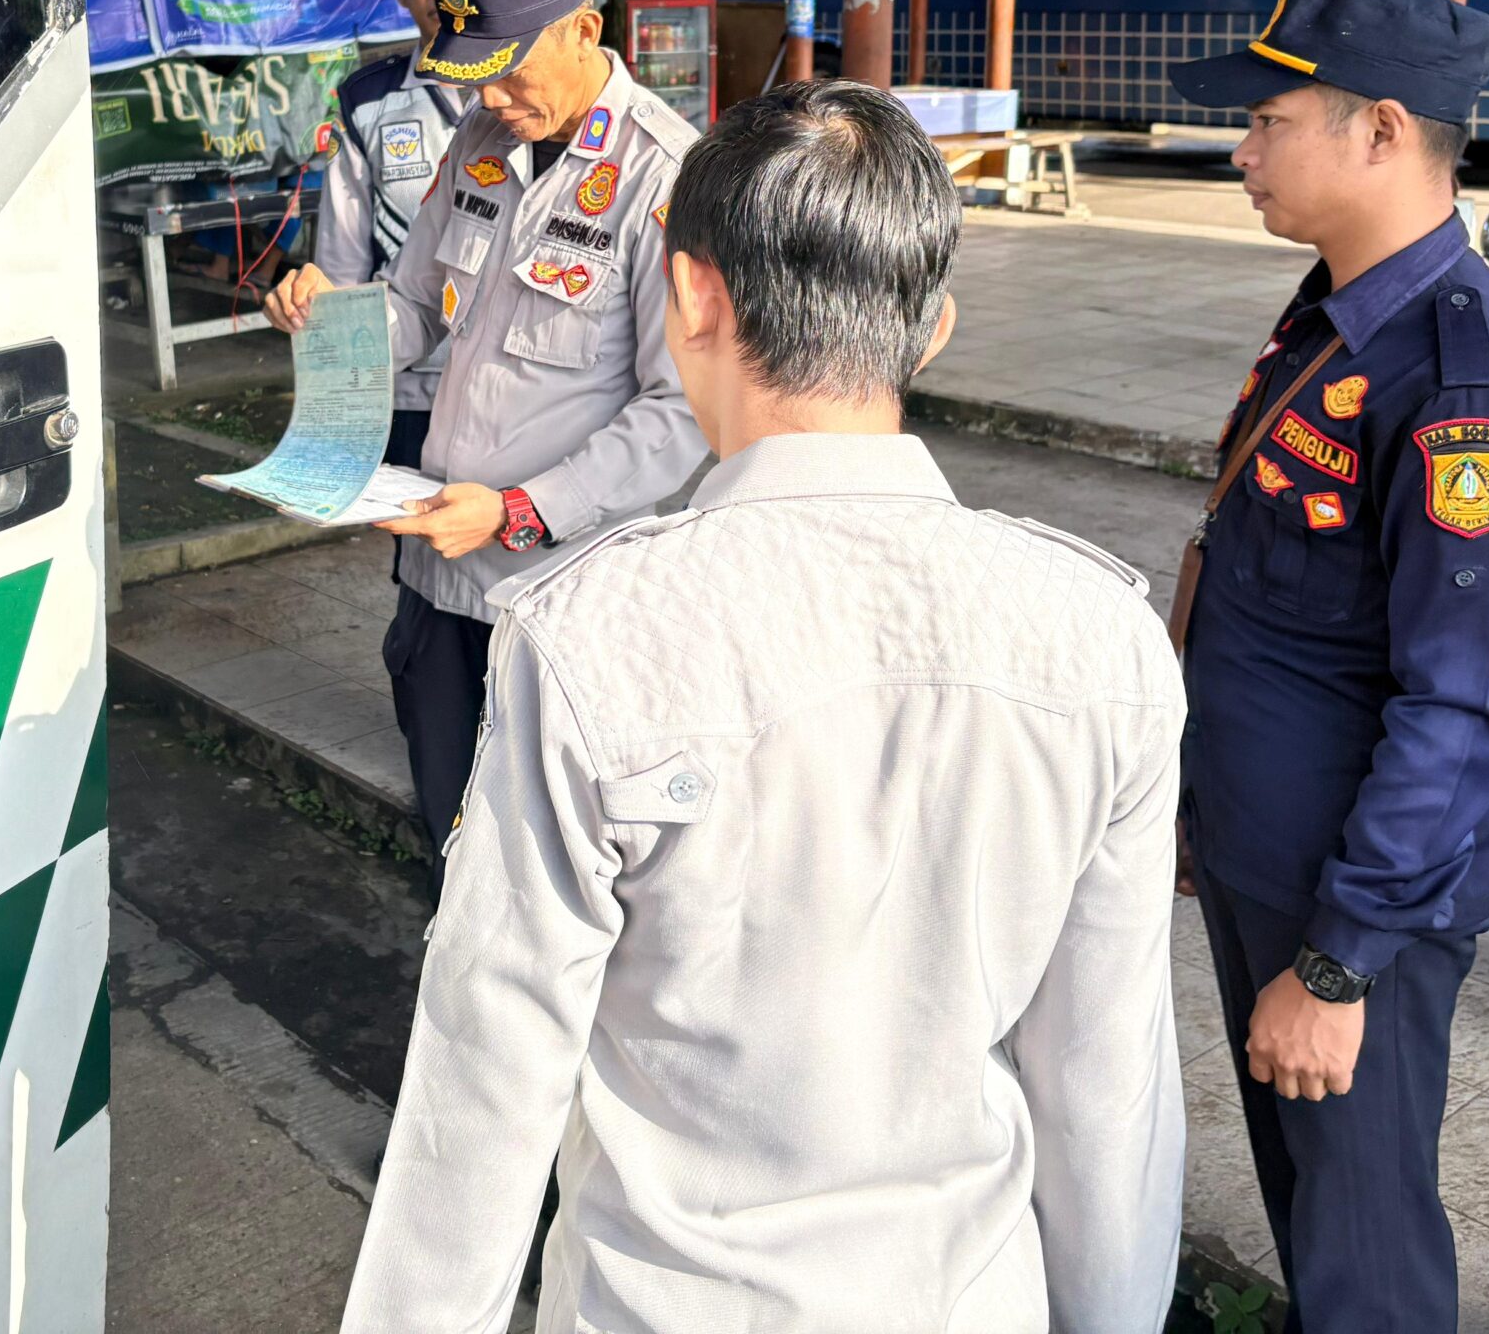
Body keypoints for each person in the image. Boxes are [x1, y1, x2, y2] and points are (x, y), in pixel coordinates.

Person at [341, 80, 1187, 1334]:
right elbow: (1106, 1082)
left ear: (690, 295)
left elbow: (488, 1071)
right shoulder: (1099, 633)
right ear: (932, 327)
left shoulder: (589, 636)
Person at [1166, 0, 1489, 1334]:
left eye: (1269, 119)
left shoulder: (1462, 385)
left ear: (1382, 131)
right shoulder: (1337, 312)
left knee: (1365, 1257)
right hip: (1266, 855)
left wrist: (1339, 965)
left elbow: (1456, 714)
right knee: (1310, 1216)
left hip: (1353, 900)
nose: (1241, 148)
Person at [264, 0, 703, 889]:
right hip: (439, 571)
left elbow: (679, 415)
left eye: (513, 71)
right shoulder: (482, 138)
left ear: (585, 30)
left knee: (558, 861)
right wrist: (324, 315)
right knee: (451, 826)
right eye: (478, 75)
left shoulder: (662, 175)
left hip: (568, 594)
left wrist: (516, 509)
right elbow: (418, 307)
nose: (496, 100)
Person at [314, 0, 473, 466]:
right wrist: (339, 388)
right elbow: (342, 257)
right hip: (407, 381)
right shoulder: (367, 99)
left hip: (503, 381)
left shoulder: (520, 94)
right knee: (414, 545)